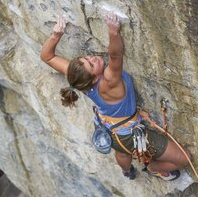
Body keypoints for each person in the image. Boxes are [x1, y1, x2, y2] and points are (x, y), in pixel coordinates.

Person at [40, 13, 188, 180]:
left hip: (105, 126)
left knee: (122, 150)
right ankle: (153, 167)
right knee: (183, 159)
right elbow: (115, 56)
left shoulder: (78, 79)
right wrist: (113, 32)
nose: (92, 58)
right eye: (91, 64)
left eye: (86, 58)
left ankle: (127, 171)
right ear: (94, 78)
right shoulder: (108, 82)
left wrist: (55, 35)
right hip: (128, 134)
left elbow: (48, 56)